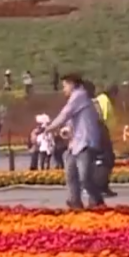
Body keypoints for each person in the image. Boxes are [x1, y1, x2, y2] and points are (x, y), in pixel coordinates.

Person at [44, 73, 104, 209]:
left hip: (86, 142)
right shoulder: (76, 99)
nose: (63, 89)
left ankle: (97, 201)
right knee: (71, 174)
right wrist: (66, 130)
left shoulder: (80, 95)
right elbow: (72, 119)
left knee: (84, 177)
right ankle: (74, 202)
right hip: (76, 143)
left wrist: (49, 128)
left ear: (72, 84)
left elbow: (65, 113)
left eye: (65, 86)